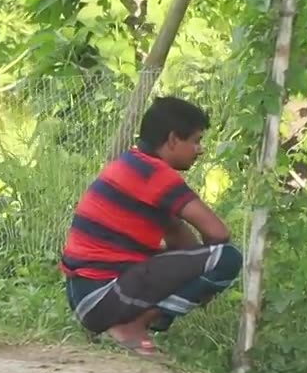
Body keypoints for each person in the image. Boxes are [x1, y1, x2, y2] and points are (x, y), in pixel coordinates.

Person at [60, 96, 242, 356]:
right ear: (172, 140)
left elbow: (181, 241)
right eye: (196, 141)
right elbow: (218, 232)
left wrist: (198, 270)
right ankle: (135, 324)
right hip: (104, 295)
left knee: (205, 258)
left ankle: (127, 322)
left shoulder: (133, 164)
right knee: (228, 258)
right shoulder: (155, 174)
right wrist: (207, 277)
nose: (199, 150)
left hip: (87, 297)